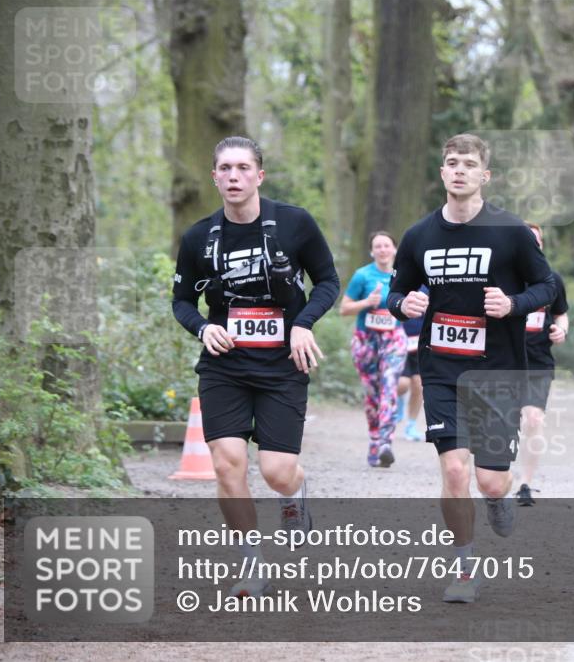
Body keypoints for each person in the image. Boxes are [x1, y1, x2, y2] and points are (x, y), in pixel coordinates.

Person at [387, 133, 556, 603]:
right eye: (450, 163)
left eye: (468, 163)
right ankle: (464, 568)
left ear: (485, 175)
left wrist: (514, 303)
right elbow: (395, 293)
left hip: (498, 371)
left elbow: (547, 285)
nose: (458, 170)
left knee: (489, 479)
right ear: (442, 173)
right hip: (441, 367)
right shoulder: (419, 236)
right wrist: (406, 303)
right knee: (456, 471)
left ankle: (499, 498)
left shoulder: (511, 233)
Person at [172, 136, 339, 598]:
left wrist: (304, 324)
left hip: (284, 363)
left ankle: (296, 493)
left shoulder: (295, 224)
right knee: (228, 466)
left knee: (277, 471)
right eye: (225, 168)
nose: (233, 177)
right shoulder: (197, 238)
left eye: (243, 168)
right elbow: (182, 301)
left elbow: (327, 281)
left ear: (259, 176)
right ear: (214, 177)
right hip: (224, 365)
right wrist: (204, 329)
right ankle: (253, 566)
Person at [340, 232, 407, 467]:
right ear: (372, 251)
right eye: (377, 246)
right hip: (366, 341)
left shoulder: (403, 275)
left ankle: (385, 442)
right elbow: (344, 309)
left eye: (386, 245)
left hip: (394, 340)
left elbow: (411, 304)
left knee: (389, 388)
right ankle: (374, 440)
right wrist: (366, 303)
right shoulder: (363, 275)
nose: (382, 250)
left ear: (394, 249)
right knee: (373, 396)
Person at [515, 222, 569, 507]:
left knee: (533, 419)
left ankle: (525, 483)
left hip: (538, 361)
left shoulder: (551, 280)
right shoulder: (502, 278)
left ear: (541, 246)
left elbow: (561, 314)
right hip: (504, 360)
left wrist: (562, 330)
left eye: (536, 241)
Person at [397, 286, 429, 442]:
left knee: (418, 384)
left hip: (419, 343)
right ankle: (400, 400)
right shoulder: (401, 282)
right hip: (399, 342)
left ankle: (411, 425)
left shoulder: (429, 284)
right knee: (403, 384)